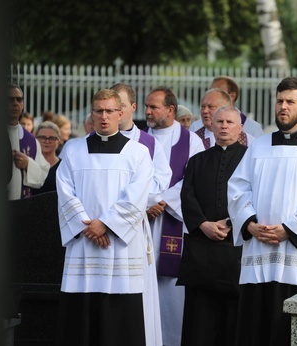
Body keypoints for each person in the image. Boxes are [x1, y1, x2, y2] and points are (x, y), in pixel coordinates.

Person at [227, 77, 297, 346]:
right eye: (279, 101)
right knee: (256, 329)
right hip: (260, 251)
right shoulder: (259, 145)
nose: (283, 107)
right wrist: (249, 224)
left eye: (290, 101)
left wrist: (289, 230)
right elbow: (238, 187)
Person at [55, 89, 154, 346]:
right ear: (92, 113)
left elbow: (137, 196)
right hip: (84, 246)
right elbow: (65, 191)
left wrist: (106, 225)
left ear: (121, 114)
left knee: (119, 319)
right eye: (98, 111)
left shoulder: (138, 153)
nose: (104, 116)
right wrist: (90, 227)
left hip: (119, 249)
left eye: (110, 111)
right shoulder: (73, 149)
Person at [178, 106, 246, 346]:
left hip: (235, 251)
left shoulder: (251, 159)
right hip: (202, 252)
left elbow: (255, 197)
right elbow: (187, 196)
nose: (224, 126)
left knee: (234, 320)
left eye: (229, 122)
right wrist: (202, 224)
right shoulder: (197, 161)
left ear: (240, 128)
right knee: (199, 321)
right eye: (219, 122)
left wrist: (231, 222)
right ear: (212, 126)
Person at [111, 82, 171, 346]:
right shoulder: (91, 142)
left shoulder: (148, 142)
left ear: (131, 108)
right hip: (100, 229)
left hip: (134, 228)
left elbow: (160, 183)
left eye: (120, 107)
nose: (114, 113)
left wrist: (132, 201)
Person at [144, 86, 204, 346]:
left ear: (170, 110)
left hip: (173, 224)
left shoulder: (192, 141)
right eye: (146, 106)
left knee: (171, 294)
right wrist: (147, 201)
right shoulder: (138, 139)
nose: (147, 111)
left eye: (153, 107)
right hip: (142, 223)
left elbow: (193, 180)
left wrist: (161, 201)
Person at [7, 84, 49, 200]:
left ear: (22, 104)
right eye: (10, 99)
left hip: (21, 209)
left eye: (19, 99)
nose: (15, 103)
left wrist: (28, 164)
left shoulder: (31, 140)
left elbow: (42, 176)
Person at [190, 75, 264, 137]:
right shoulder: (196, 126)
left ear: (232, 96)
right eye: (210, 90)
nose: (212, 94)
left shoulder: (252, 129)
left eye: (217, 90)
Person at [31, 121, 61, 195]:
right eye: (42, 137)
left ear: (58, 141)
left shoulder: (64, 167)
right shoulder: (29, 163)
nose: (47, 141)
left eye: (51, 138)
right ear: (36, 139)